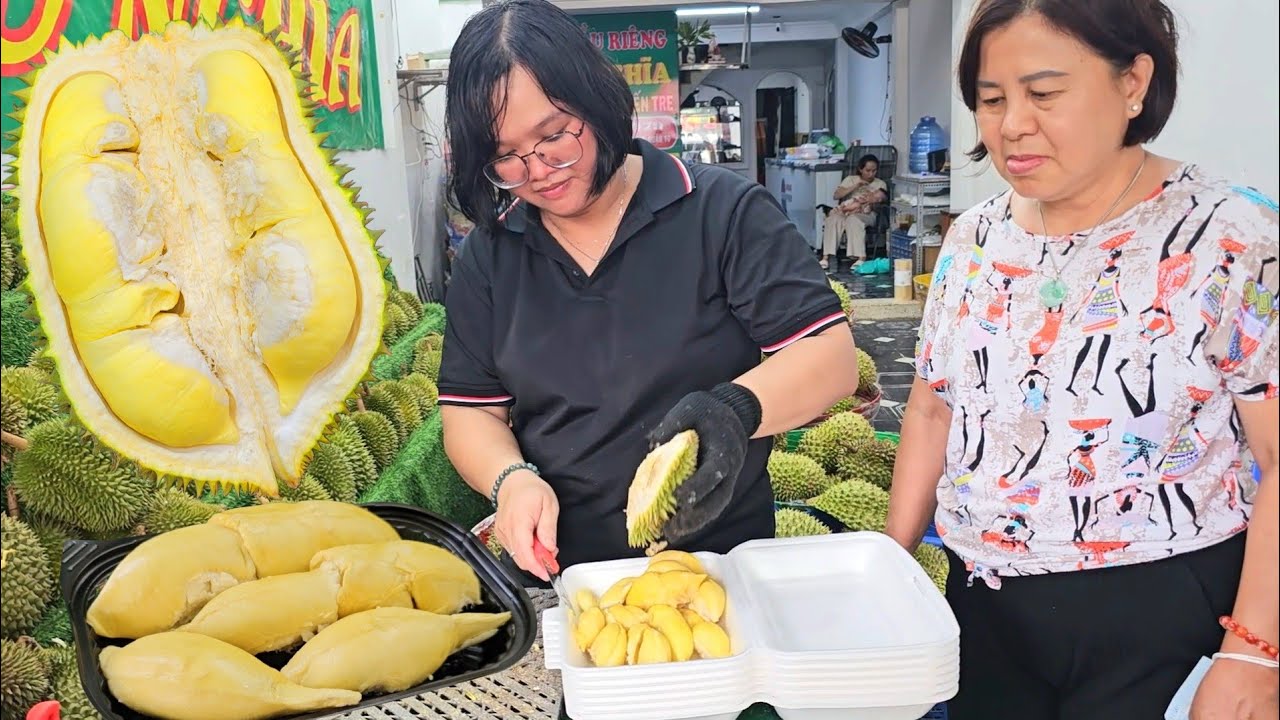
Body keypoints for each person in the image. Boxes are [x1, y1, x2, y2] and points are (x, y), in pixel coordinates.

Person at [886, 2, 1279, 719]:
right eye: (991, 100)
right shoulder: (973, 237)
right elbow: (932, 408)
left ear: (1133, 83)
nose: (1012, 125)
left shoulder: (1231, 235)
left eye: (1044, 93)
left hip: (1161, 609)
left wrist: (1254, 650)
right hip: (984, 606)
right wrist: (889, 565)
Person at [438, 0, 859, 590]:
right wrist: (511, 479)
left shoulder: (723, 212)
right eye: (505, 156)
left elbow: (830, 359)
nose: (539, 169)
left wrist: (733, 411)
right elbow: (471, 410)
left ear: (595, 99)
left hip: (719, 569)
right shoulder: (490, 255)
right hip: (567, 579)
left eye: (554, 135)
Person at [820, 153, 887, 270]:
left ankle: (860, 257)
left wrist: (869, 201)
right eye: (868, 170)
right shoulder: (851, 179)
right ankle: (826, 257)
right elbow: (836, 195)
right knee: (832, 219)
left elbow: (881, 201)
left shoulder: (880, 184)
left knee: (854, 219)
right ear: (861, 169)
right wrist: (856, 186)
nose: (871, 174)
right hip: (845, 210)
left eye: (874, 171)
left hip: (866, 213)